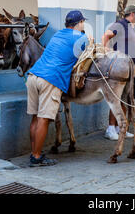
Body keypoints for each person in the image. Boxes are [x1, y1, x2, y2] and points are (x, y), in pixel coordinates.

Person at [26, 10, 88, 166]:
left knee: (35, 117)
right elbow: (90, 52)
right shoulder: (80, 37)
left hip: (33, 76)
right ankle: (37, 156)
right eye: (83, 23)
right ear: (79, 23)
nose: (83, 25)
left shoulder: (58, 34)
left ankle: (34, 153)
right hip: (50, 79)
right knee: (44, 119)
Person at [101, 4, 135, 140]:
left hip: (131, 70)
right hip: (119, 69)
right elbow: (105, 36)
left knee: (125, 100)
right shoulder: (120, 24)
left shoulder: (133, 27)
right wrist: (106, 50)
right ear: (132, 14)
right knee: (116, 99)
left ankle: (121, 128)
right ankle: (110, 129)